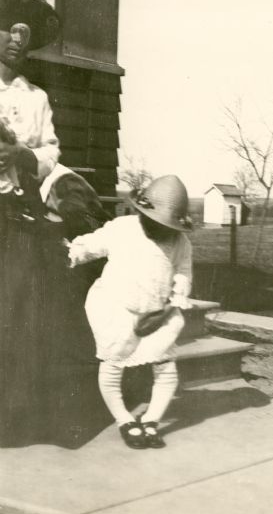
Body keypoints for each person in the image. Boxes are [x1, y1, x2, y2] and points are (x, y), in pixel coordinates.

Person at [67, 175, 193, 449]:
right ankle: (124, 419)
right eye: (154, 222)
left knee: (166, 368)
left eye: (167, 226)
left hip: (157, 314)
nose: (160, 230)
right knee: (113, 364)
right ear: (142, 212)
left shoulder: (180, 243)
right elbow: (92, 244)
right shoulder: (123, 229)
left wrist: (171, 306)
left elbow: (182, 273)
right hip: (117, 308)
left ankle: (151, 420)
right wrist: (73, 252)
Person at [0, 0, 61, 442]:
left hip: (16, 212)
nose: (16, 38)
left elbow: (51, 152)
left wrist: (21, 152)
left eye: (25, 31)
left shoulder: (36, 97)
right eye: (8, 27)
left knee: (16, 306)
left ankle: (10, 418)